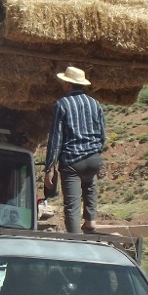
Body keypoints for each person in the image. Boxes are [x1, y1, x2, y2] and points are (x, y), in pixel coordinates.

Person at [43, 65, 106, 234]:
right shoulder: (95, 104)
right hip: (94, 158)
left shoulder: (62, 104)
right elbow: (102, 135)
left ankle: (75, 240)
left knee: (72, 205)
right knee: (90, 183)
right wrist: (95, 153)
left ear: (68, 85)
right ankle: (91, 220)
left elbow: (56, 138)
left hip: (72, 160)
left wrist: (49, 168)